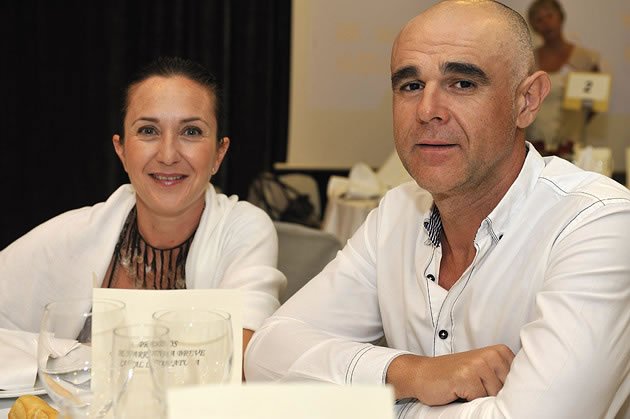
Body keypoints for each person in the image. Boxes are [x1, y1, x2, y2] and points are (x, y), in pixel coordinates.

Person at [245, 1, 630, 418]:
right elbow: (266, 353)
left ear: (527, 100)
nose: (427, 111)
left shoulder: (597, 224)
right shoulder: (397, 214)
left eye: (462, 83)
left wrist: (372, 403)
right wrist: (411, 373)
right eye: (411, 86)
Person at [0, 57, 286, 358]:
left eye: (191, 132)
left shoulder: (244, 230)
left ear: (219, 153)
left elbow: (237, 362)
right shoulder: (73, 235)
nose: (168, 155)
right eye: (149, 131)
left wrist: (74, 357)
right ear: (121, 150)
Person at [526, 0, 601, 153]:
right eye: (539, 20)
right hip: (536, 146)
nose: (546, 23)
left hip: (572, 146)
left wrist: (576, 123)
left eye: (549, 16)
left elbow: (596, 104)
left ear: (560, 17)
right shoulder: (529, 61)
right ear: (533, 26)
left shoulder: (585, 59)